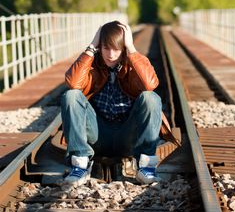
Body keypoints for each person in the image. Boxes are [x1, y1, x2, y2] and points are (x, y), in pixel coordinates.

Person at [61, 21, 177, 187]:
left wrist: (131, 49)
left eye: (117, 49)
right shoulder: (92, 64)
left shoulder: (133, 65)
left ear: (123, 49)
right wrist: (92, 46)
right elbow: (73, 83)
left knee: (150, 98)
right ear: (100, 47)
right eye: (106, 48)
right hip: (97, 135)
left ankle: (146, 168)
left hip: (128, 135)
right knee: (71, 96)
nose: (110, 54)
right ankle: (80, 166)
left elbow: (149, 84)